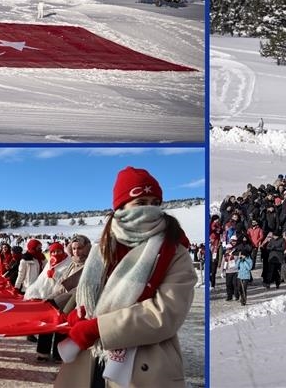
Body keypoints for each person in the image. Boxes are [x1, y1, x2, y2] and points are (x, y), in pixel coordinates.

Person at [54, 166, 196, 388]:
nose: (149, 210)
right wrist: (77, 316)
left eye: (155, 203)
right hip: (90, 362)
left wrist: (97, 328)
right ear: (121, 207)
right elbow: (87, 298)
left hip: (143, 367)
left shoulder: (175, 253)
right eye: (140, 203)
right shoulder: (102, 250)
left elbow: (165, 313)